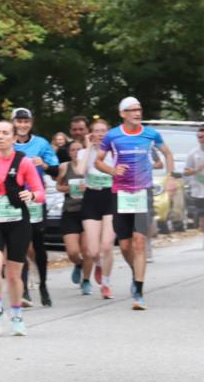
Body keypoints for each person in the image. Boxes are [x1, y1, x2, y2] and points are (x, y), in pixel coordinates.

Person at [95, 97, 176, 310]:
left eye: (139, 109)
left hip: (142, 192)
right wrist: (112, 170)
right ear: (122, 113)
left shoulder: (151, 134)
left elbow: (167, 153)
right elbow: (98, 160)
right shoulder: (113, 135)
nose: (137, 113)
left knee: (140, 241)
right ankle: (135, 271)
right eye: (131, 110)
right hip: (121, 194)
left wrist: (170, 178)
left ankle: (139, 293)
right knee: (124, 245)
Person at [0, 119, 46, 337]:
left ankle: (17, 316)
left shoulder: (24, 162)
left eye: (5, 133)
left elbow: (40, 192)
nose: (0, 137)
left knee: (14, 274)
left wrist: (31, 195)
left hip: (17, 222)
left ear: (14, 138)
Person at [11, 107, 59, 307]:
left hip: (36, 199)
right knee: (20, 245)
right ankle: (23, 290)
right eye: (19, 121)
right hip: (15, 200)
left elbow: (55, 170)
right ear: (14, 123)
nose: (22, 125)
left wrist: (45, 165)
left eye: (26, 121)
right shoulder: (7, 144)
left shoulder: (41, 144)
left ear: (31, 123)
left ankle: (43, 286)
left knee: (38, 246)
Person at [75, 117, 116, 299]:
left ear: (109, 133)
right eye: (96, 131)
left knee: (107, 245)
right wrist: (89, 147)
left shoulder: (114, 152)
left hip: (110, 197)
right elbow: (79, 172)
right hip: (91, 198)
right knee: (92, 251)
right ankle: (98, 263)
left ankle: (106, 284)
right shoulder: (84, 152)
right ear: (91, 134)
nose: (100, 134)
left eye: (103, 131)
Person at [56, 140, 89, 293]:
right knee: (73, 252)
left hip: (87, 210)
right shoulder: (65, 166)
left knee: (87, 249)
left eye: (79, 149)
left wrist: (87, 187)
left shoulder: (90, 165)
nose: (76, 152)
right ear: (69, 152)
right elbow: (58, 186)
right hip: (69, 211)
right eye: (73, 150)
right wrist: (67, 188)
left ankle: (86, 280)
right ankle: (79, 264)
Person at [182, 126, 204, 249]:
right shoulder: (193, 153)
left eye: (203, 136)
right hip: (199, 190)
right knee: (202, 218)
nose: (201, 139)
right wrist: (196, 170)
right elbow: (186, 172)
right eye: (199, 137)